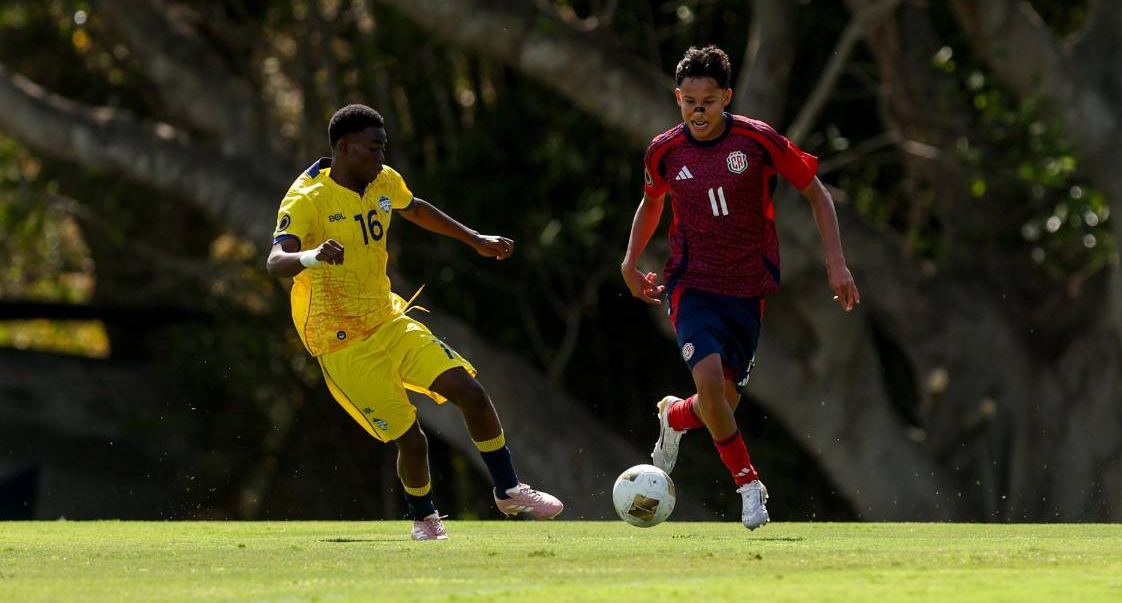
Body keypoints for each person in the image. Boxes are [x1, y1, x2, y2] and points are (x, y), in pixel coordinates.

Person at [266, 104, 562, 541]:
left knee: (471, 392)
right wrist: (312, 256)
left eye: (383, 148)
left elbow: (413, 207)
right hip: (339, 341)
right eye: (373, 149)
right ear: (345, 148)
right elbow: (275, 261)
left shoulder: (382, 180)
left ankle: (508, 489)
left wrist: (474, 239)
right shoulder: (307, 198)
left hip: (387, 318)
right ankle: (425, 518)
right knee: (413, 441)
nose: (381, 158)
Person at [620, 45, 860, 530]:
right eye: (689, 102)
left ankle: (674, 418)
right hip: (692, 284)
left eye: (708, 101)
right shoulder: (665, 151)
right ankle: (750, 487)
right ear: (678, 99)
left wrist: (836, 263)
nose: (698, 111)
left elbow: (816, 192)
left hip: (748, 289)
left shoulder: (757, 140)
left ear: (726, 96)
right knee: (709, 385)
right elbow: (651, 203)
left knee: (720, 405)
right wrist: (629, 261)